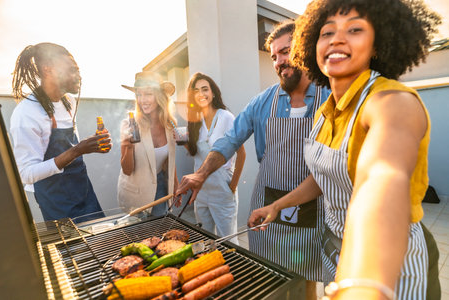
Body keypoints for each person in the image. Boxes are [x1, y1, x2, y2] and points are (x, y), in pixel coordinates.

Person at [248, 0, 441, 299]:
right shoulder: (327, 111)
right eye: (327, 32)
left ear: (377, 44)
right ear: (311, 45)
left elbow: (382, 180)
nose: (337, 39)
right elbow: (325, 175)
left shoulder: (392, 102)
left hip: (387, 269)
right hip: (336, 254)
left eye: (354, 29)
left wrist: (360, 286)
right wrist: (279, 205)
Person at [176, 21, 331, 298]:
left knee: (307, 277)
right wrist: (201, 173)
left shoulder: (329, 97)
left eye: (286, 51)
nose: (279, 61)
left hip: (314, 204)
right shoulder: (262, 102)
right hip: (268, 203)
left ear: (305, 48)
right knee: (269, 274)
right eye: (274, 56)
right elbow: (230, 140)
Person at [10, 42, 111, 222]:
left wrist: (94, 144)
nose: (78, 76)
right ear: (48, 70)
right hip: (56, 201)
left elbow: (71, 147)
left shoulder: (69, 102)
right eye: (72, 70)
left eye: (78, 70)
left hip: (84, 191)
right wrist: (77, 150)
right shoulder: (26, 113)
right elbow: (26, 174)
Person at [182, 72, 245, 244]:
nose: (201, 94)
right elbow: (198, 154)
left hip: (222, 188)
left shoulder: (225, 117)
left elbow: (241, 153)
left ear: (213, 92)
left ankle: (234, 269)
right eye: (196, 91)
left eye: (205, 89)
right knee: (204, 238)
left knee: (228, 241)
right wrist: (183, 142)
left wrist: (233, 185)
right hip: (200, 190)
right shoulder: (195, 121)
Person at [118, 71, 180, 217]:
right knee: (137, 238)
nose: (142, 100)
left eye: (148, 94)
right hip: (135, 194)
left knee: (159, 234)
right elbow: (127, 170)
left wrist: (175, 187)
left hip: (161, 189)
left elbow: (168, 161)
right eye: (139, 94)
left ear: (160, 97)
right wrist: (127, 146)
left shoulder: (170, 125)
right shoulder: (129, 125)